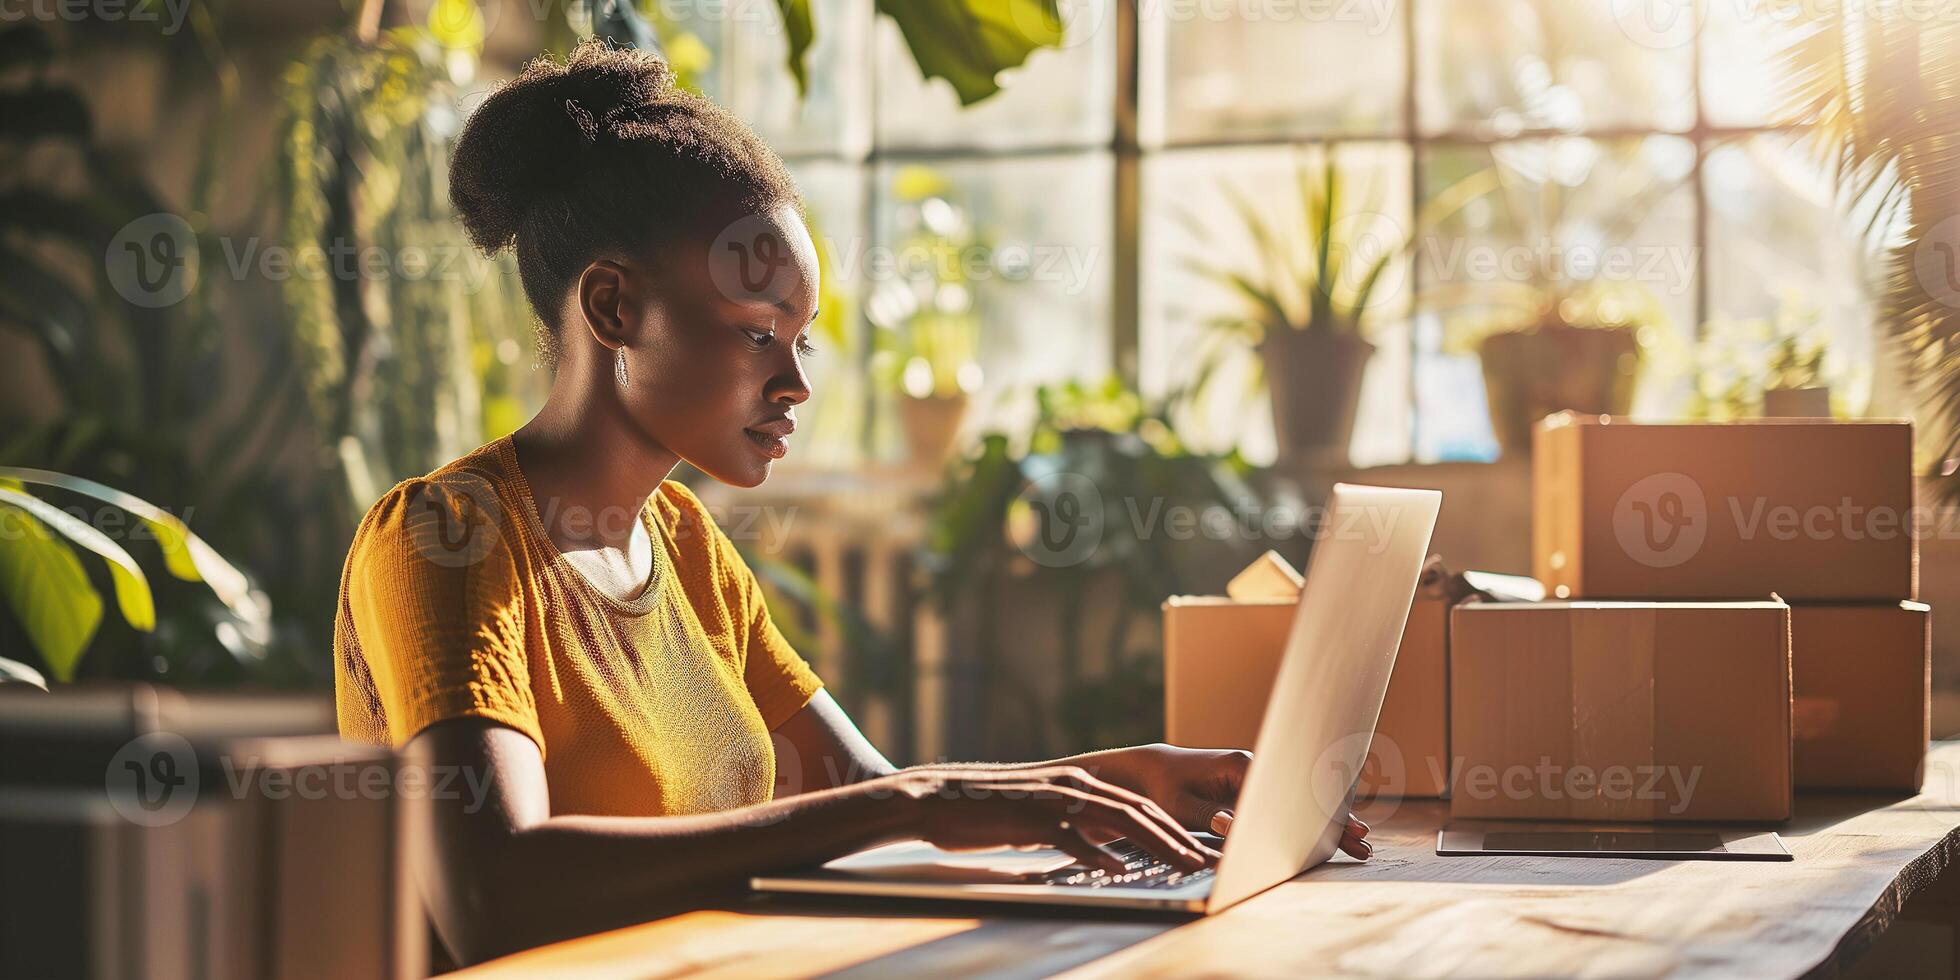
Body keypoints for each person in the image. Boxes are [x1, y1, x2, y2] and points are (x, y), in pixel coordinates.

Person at [333, 40, 1370, 966]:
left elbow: (872, 795)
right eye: (755, 332)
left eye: (801, 340)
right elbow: (492, 894)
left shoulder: (683, 542)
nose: (794, 383)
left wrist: (1121, 778)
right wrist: (918, 799)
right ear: (614, 306)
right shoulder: (450, 535)